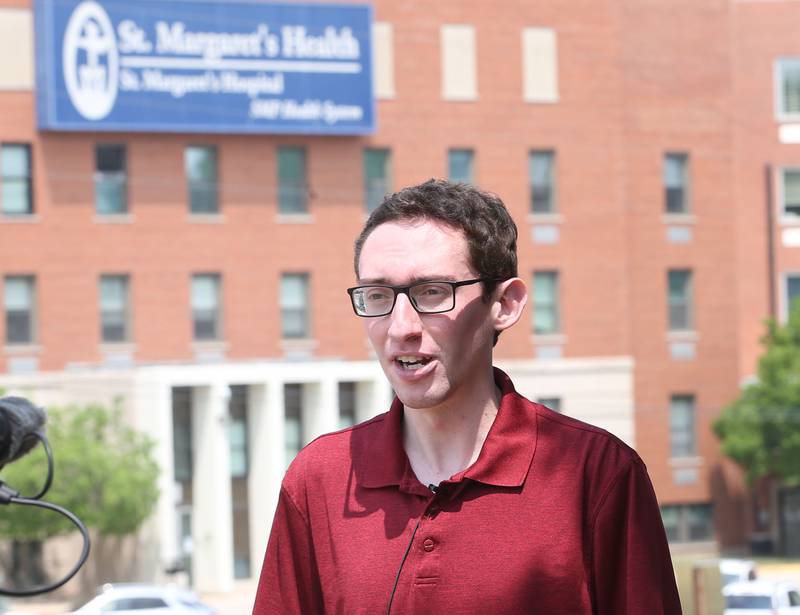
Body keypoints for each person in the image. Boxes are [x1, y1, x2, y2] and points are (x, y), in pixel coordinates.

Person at [252, 179, 682, 614]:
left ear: (505, 304)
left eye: (432, 292)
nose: (401, 327)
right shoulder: (318, 480)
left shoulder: (598, 475)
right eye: (378, 295)